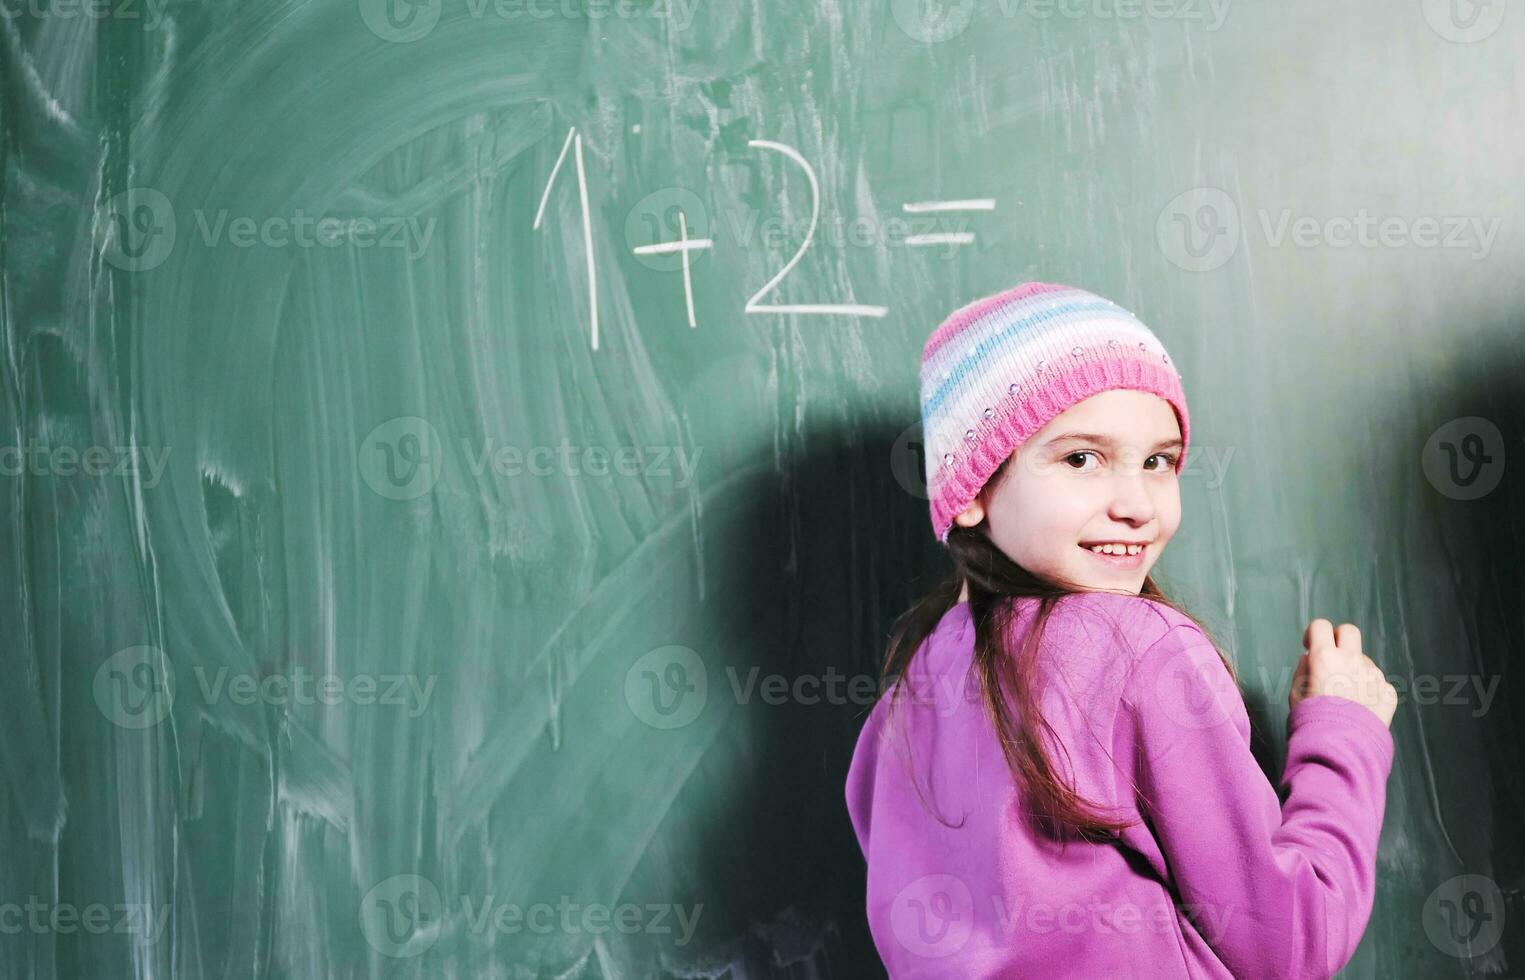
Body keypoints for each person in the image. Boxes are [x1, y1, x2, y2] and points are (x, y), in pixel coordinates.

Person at [845, 281, 1397, 978]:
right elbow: (1290, 944)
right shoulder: (1134, 650)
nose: (1136, 504)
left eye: (1157, 461)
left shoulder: (899, 705)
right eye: (1081, 459)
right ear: (972, 489)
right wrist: (1342, 730)